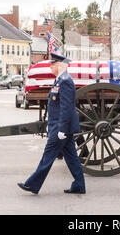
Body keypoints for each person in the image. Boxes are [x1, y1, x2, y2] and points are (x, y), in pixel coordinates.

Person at [17, 52, 86, 195]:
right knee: (72, 157)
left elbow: (66, 108)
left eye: (52, 64)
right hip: (58, 126)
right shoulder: (60, 80)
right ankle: (79, 185)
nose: (50, 67)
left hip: (60, 128)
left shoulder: (65, 81)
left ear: (60, 65)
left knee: (48, 156)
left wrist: (62, 129)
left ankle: (33, 184)